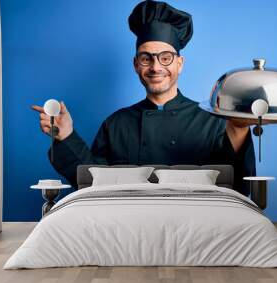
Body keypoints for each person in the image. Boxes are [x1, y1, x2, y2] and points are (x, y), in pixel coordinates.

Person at [31, 0, 256, 196]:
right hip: (127, 231)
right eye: (146, 58)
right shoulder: (116, 124)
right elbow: (91, 185)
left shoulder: (212, 121)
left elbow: (236, 187)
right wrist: (66, 136)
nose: (156, 67)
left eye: (166, 57)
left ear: (180, 63)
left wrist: (239, 129)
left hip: (197, 229)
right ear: (136, 64)